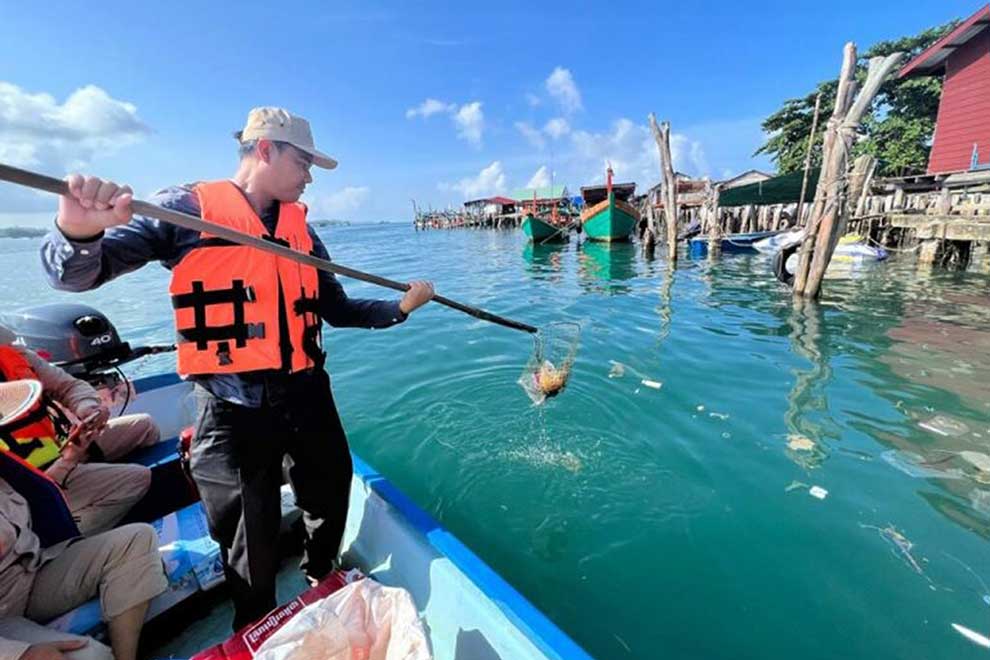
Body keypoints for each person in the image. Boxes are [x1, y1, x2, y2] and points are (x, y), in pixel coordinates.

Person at [40, 107, 435, 630]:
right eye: (304, 161)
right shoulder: (184, 209)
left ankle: (321, 577)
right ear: (265, 149)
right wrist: (78, 230)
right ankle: (256, 625)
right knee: (249, 535)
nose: (310, 176)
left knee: (331, 487)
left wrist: (399, 309)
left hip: (305, 392)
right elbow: (75, 274)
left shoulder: (304, 234)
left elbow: (335, 308)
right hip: (229, 404)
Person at [0, 419, 168, 660]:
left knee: (137, 538)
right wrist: (17, 654)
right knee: (89, 656)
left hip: (30, 572)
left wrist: (69, 458)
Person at [0, 331, 156, 536]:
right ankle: (58, 541)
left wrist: (88, 408)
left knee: (145, 426)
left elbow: (69, 386)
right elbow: (16, 497)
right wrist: (67, 462)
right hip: (34, 485)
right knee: (137, 478)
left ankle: (100, 494)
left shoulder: (16, 355)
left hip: (65, 445)